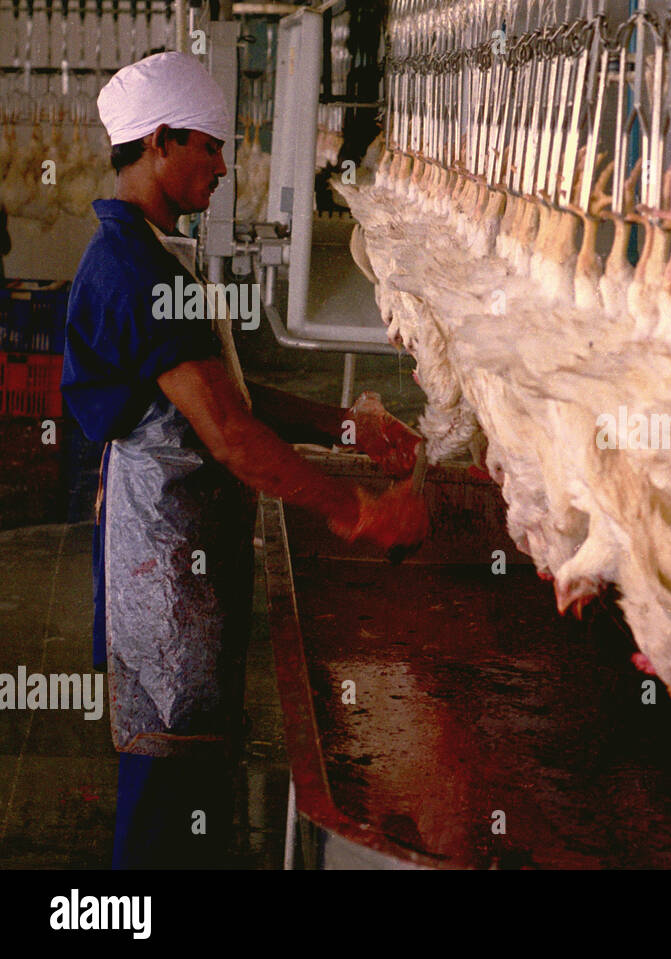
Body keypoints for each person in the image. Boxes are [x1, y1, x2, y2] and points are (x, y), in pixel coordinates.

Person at [61, 51, 429, 868]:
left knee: (185, 796)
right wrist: (357, 512)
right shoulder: (132, 267)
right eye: (212, 147)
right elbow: (228, 432)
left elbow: (233, 395)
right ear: (160, 142)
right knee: (162, 804)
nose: (225, 166)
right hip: (164, 573)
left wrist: (347, 428)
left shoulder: (156, 251)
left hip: (181, 560)